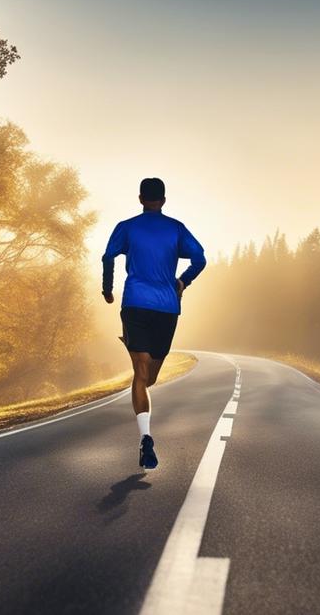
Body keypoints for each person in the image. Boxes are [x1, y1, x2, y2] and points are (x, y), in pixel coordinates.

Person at [101, 177, 206, 469]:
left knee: (145, 376)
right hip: (166, 308)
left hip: (134, 304)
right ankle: (145, 437)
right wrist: (183, 281)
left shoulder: (126, 227)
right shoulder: (176, 229)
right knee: (145, 374)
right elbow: (200, 258)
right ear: (163, 199)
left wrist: (107, 289)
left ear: (140, 198)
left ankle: (133, 347)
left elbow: (107, 256)